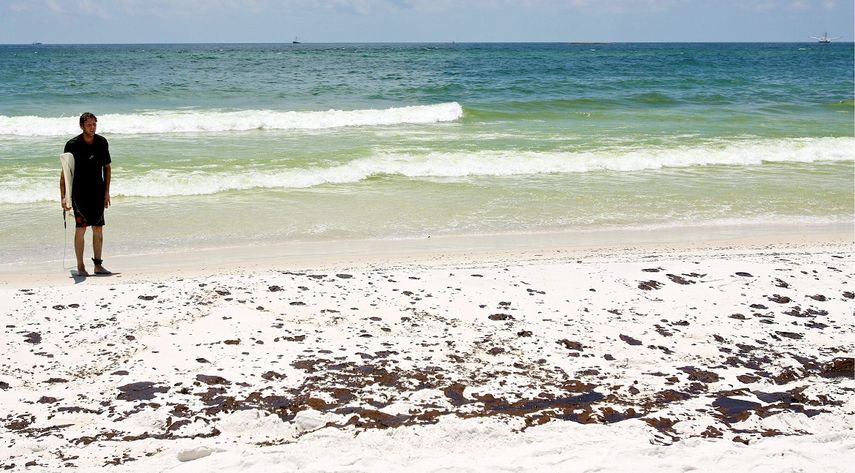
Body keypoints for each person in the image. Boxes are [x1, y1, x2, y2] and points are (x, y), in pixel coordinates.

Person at [60, 112, 112, 276]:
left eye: (94, 124)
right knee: (81, 228)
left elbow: (107, 168)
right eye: (89, 125)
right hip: (79, 193)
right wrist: (64, 196)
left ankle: (98, 265)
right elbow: (65, 173)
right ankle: (80, 266)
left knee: (98, 228)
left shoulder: (102, 142)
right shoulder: (72, 145)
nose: (92, 128)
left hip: (97, 191)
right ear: (82, 126)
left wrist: (107, 193)